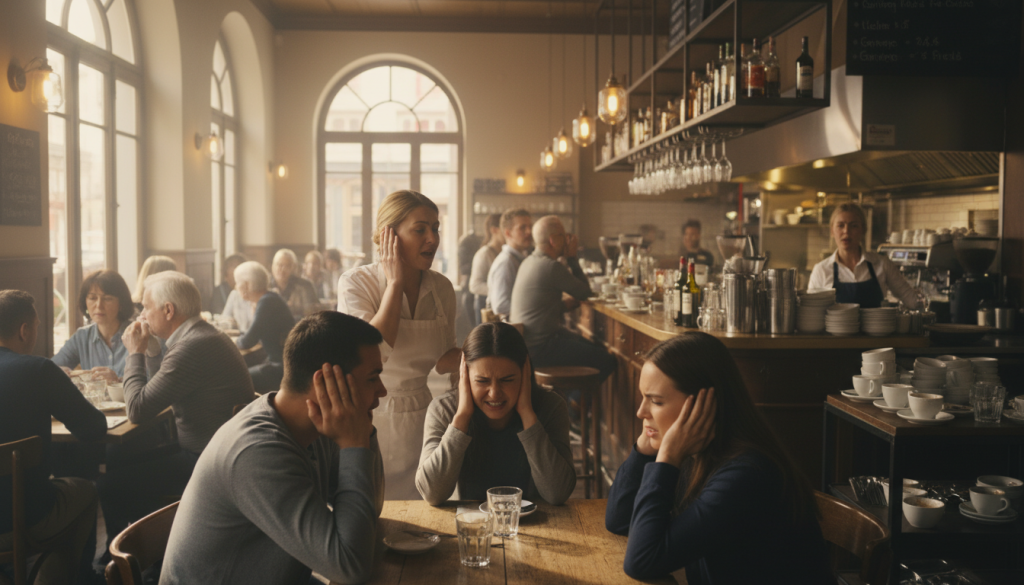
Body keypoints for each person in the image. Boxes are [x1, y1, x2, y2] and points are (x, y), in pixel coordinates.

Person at [160, 311, 385, 585]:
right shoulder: (258, 451)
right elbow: (350, 567)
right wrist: (354, 445)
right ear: (326, 383)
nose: (383, 390)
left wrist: (363, 433)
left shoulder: (321, 426)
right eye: (373, 378)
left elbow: (369, 512)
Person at [605, 332, 831, 583]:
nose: (640, 412)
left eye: (656, 401)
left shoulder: (746, 475)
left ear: (703, 403)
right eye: (643, 398)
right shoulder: (701, 453)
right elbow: (619, 520)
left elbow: (641, 561)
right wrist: (646, 444)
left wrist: (667, 457)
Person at [98, 272, 256, 546]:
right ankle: (145, 549)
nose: (142, 315)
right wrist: (149, 349)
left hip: (208, 463)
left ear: (168, 310)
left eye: (146, 307)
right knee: (118, 456)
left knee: (109, 484)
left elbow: (137, 409)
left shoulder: (192, 347)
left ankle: (135, 553)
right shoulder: (201, 335)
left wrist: (134, 352)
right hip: (218, 451)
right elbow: (163, 389)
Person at [337, 190, 460, 500]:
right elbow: (374, 351)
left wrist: (483, 354)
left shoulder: (441, 288)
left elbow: (444, 358)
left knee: (423, 511)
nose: (432, 238)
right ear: (387, 235)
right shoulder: (356, 284)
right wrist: (394, 284)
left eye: (436, 228)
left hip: (422, 414)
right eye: (420, 229)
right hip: (370, 415)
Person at [0, 290, 107, 585]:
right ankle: (78, 578)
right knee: (86, 491)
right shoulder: (37, 370)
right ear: (24, 330)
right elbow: (93, 428)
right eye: (36, 325)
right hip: (24, 517)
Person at [416, 322, 575, 505]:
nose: (494, 393)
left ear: (525, 375)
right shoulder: (444, 410)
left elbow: (558, 493)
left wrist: (528, 415)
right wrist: (461, 418)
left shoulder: (550, 406)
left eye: (507, 380)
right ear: (465, 376)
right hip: (473, 527)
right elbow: (431, 493)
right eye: (482, 381)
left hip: (539, 524)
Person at [510, 216, 615, 380]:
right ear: (553, 240)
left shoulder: (529, 261)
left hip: (527, 346)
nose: (568, 241)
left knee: (595, 349)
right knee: (608, 361)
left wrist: (563, 306)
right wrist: (572, 258)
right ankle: (570, 403)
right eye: (564, 236)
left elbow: (538, 307)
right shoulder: (551, 267)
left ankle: (569, 400)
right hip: (541, 348)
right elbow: (586, 292)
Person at [52, 269, 161, 382]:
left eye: (107, 299)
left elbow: (155, 383)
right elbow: (50, 368)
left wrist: (118, 381)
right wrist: (59, 372)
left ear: (121, 304)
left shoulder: (140, 335)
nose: (99, 305)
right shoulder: (82, 336)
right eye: (92, 298)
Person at [809, 202, 919, 309]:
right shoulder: (821, 270)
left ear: (863, 230)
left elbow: (910, 299)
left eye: (854, 226)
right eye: (840, 225)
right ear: (832, 231)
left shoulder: (882, 264)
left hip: (876, 328)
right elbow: (811, 311)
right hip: (835, 329)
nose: (846, 231)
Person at [233, 261, 295, 393]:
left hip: (282, 368)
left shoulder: (266, 302)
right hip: (283, 363)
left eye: (237, 283)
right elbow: (255, 332)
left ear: (246, 285)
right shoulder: (270, 298)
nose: (235, 287)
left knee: (236, 378)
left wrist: (231, 341)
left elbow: (247, 342)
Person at [486, 208, 533, 317]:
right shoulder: (505, 263)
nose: (529, 232)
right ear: (508, 233)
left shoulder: (520, 258)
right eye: (522, 228)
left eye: (530, 227)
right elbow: (501, 306)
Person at [468, 213, 504, 326]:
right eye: (505, 228)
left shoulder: (504, 253)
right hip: (486, 309)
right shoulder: (484, 254)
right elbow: (475, 285)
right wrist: (500, 291)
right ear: (494, 230)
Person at [272, 248, 321, 320]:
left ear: (294, 268)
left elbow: (312, 315)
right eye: (279, 264)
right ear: (272, 266)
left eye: (287, 266)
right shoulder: (267, 286)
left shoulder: (305, 286)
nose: (281, 269)